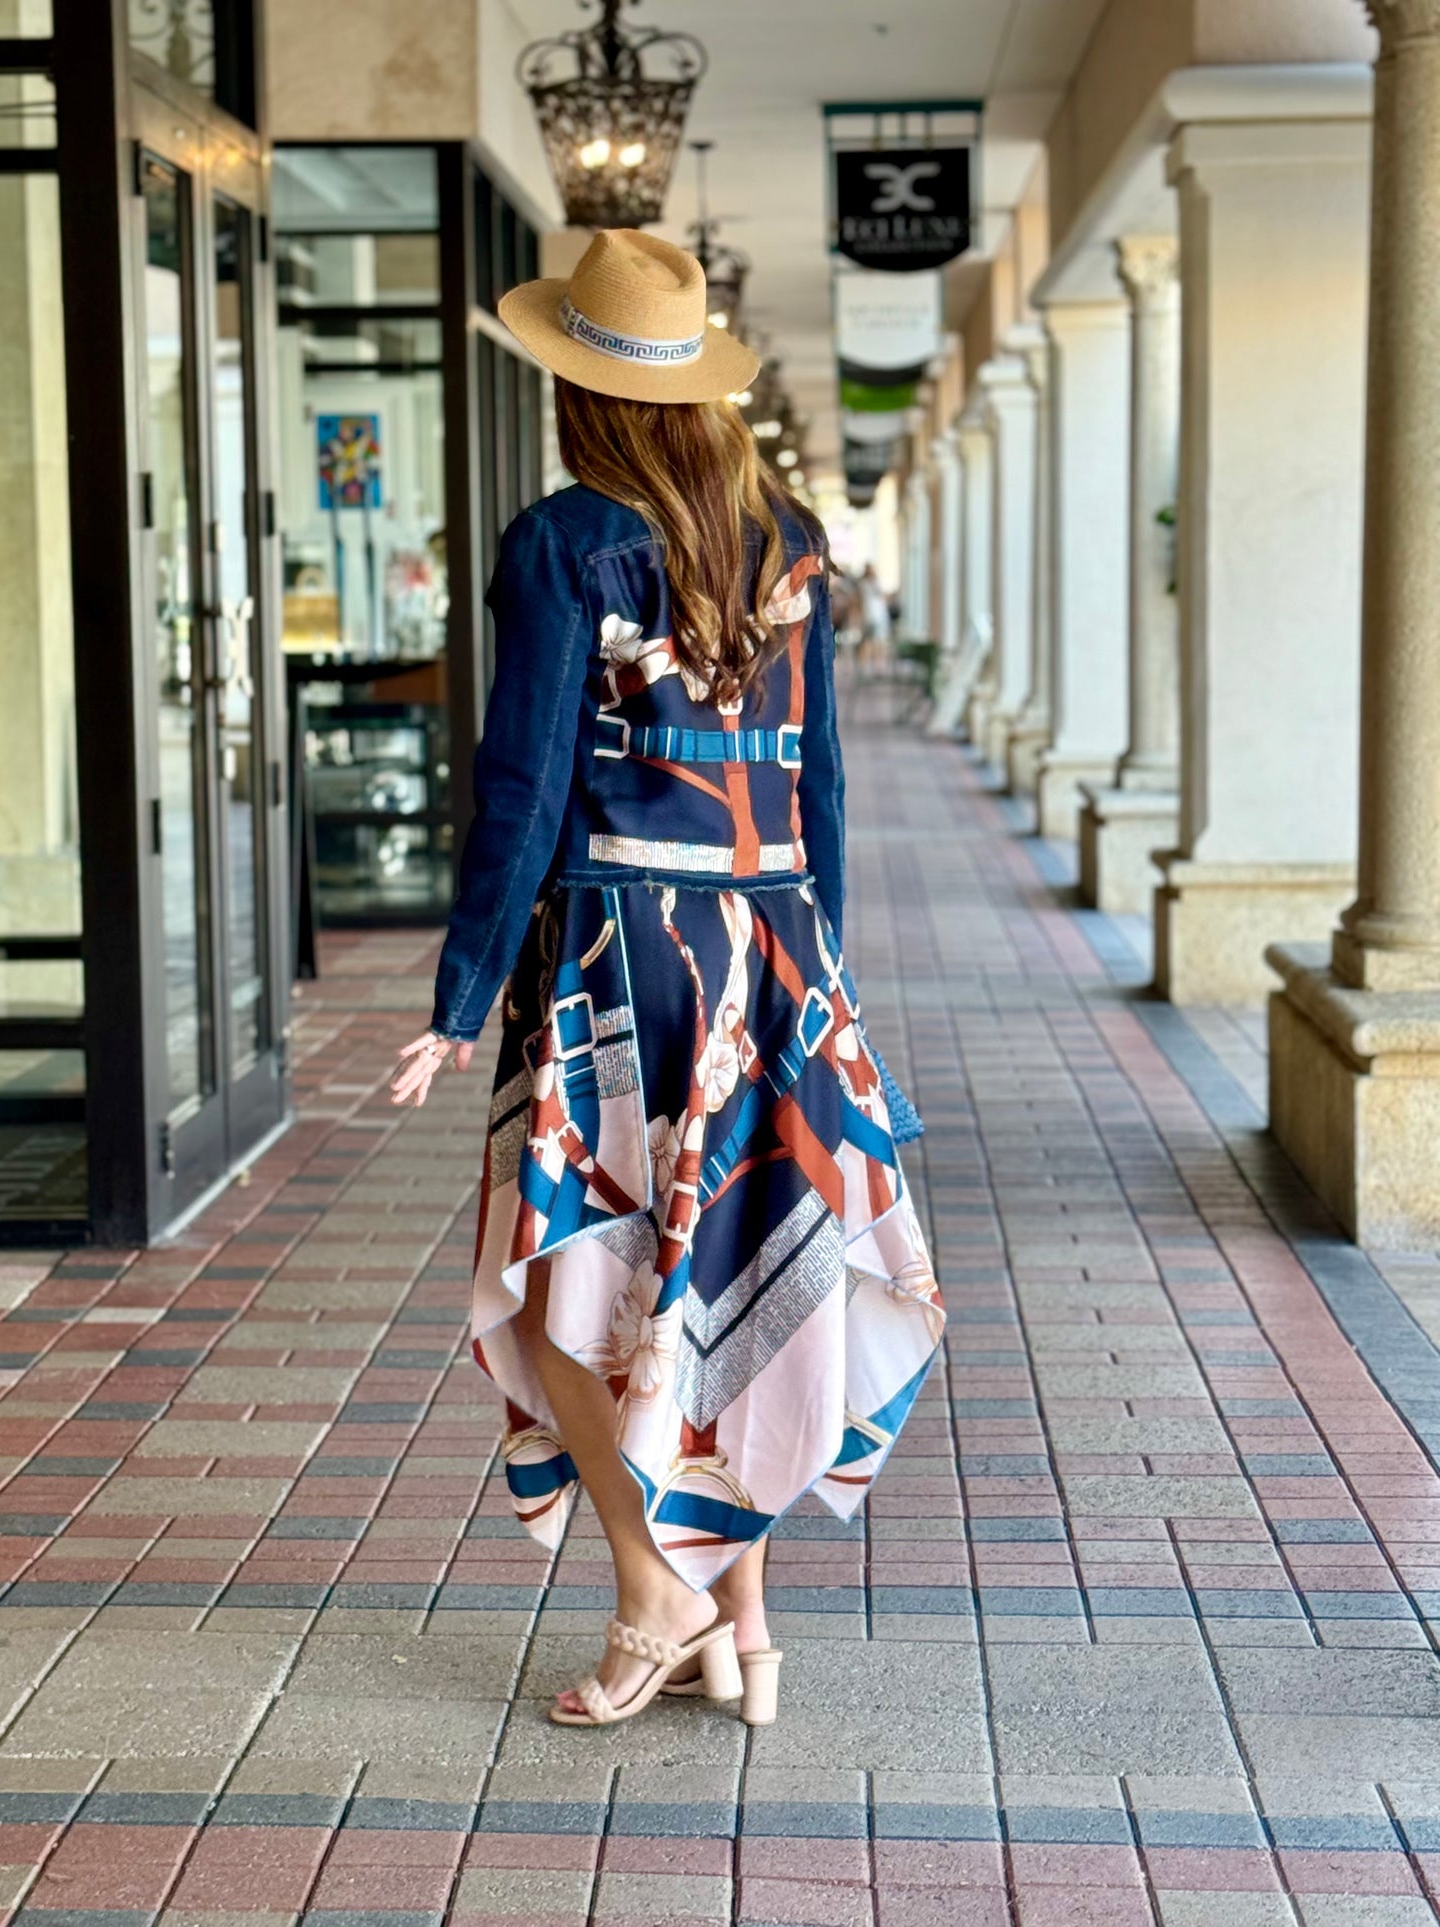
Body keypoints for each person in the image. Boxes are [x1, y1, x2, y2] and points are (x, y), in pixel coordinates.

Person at [390, 230, 944, 1730]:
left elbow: (524, 786)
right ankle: (741, 1635)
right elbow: (816, 780)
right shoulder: (788, 534)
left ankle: (654, 1587)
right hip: (769, 956)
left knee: (566, 1278)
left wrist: (459, 1002)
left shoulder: (565, 539)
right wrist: (818, 967)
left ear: (581, 386)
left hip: (616, 964)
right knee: (718, 1277)